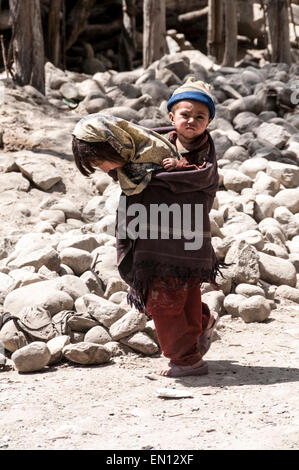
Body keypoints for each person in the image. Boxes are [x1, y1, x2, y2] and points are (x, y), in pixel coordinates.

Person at [72, 77, 221, 378]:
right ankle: (201, 325)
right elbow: (128, 169)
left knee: (171, 297)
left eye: (200, 117)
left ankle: (186, 360)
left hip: (184, 234)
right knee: (178, 294)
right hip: (155, 238)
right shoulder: (150, 146)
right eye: (185, 115)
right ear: (171, 117)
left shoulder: (205, 154)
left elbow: (203, 180)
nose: (191, 121)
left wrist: (179, 170)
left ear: (209, 122)